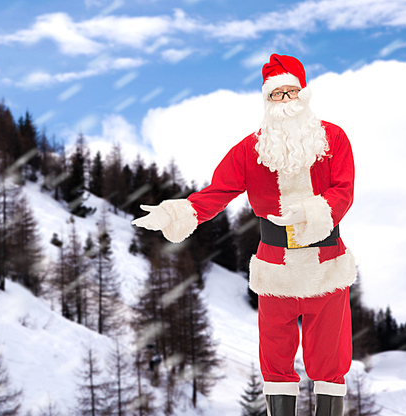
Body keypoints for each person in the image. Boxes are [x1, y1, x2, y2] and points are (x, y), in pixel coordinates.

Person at [132, 53, 356, 416]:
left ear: (304, 95)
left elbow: (343, 190)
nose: (284, 101)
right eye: (275, 95)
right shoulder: (251, 150)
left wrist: (314, 212)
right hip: (275, 269)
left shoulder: (333, 139)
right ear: (266, 101)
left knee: (330, 360)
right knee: (275, 358)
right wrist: (180, 211)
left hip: (326, 266)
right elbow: (218, 191)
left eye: (290, 92)